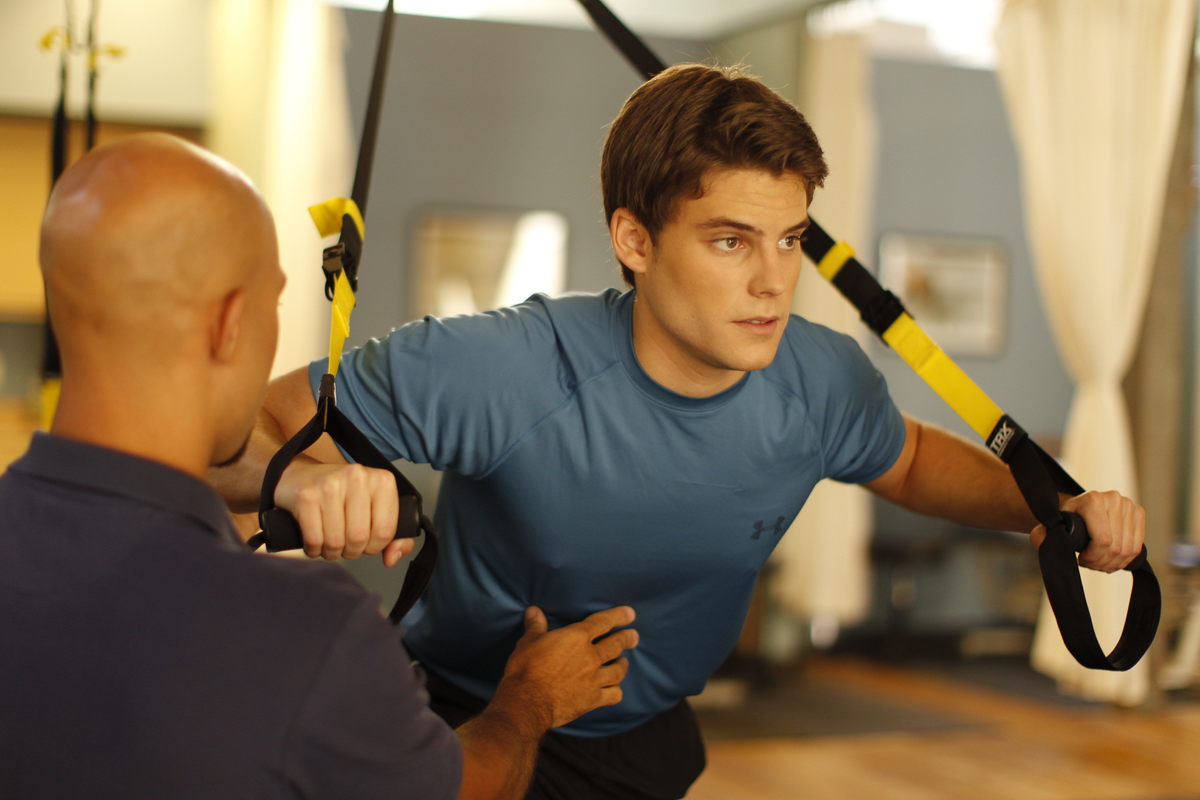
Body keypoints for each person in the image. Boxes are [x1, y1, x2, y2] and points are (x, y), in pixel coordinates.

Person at [213, 64, 1146, 800]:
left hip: (645, 736)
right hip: (460, 714)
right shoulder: (503, 368)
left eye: (790, 240)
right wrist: (296, 483)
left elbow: (904, 462)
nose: (774, 281)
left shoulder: (820, 379)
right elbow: (241, 427)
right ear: (635, 239)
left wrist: (1049, 509)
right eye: (731, 240)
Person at [0, 133, 639, 800]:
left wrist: (296, 480)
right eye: (273, 303)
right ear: (229, 325)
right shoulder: (306, 636)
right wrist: (527, 704)